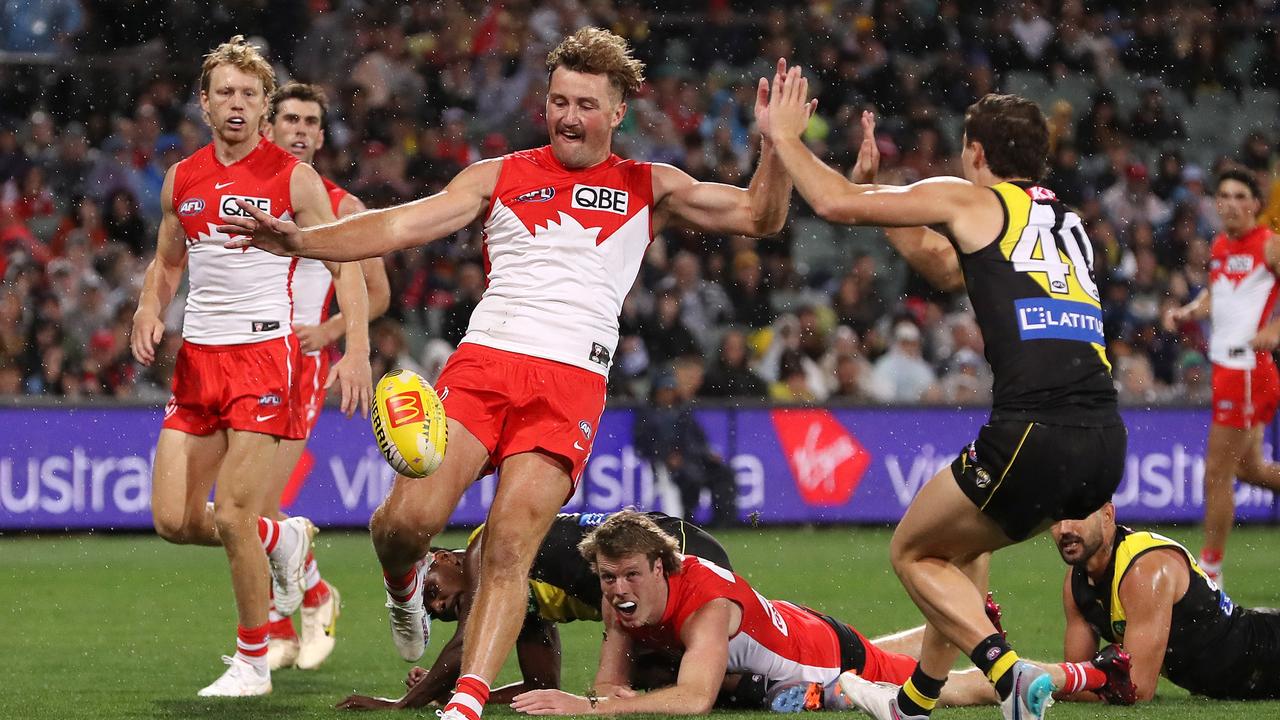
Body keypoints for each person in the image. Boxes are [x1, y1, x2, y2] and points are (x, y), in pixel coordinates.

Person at [219, 27, 805, 720]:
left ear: (617, 111)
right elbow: (402, 226)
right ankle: (402, 581)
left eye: (585, 104)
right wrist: (300, 241)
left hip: (569, 387)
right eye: (558, 101)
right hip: (484, 369)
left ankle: (465, 704)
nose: (568, 117)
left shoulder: (651, 186)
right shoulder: (498, 175)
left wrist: (778, 146)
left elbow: (760, 216)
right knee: (406, 522)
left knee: (508, 547)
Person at [767, 88, 1126, 720]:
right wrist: (889, 209)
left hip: (1032, 432)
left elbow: (830, 201)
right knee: (963, 548)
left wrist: (787, 138)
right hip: (1103, 444)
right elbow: (946, 265)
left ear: (976, 151)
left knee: (913, 551)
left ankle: (1006, 675)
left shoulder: (973, 198)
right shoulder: (1069, 224)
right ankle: (916, 700)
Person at [128, 36, 371, 697]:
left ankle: (253, 663)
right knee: (174, 521)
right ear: (204, 103)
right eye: (225, 94)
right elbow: (168, 259)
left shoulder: (294, 178)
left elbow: (345, 257)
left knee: (233, 513)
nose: (236, 105)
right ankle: (283, 541)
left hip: (264, 358)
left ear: (265, 106)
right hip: (197, 361)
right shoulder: (183, 177)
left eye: (249, 94)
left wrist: (357, 349)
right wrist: (150, 309)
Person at [507, 510, 1004, 715]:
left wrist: (590, 708)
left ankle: (1073, 676)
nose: (617, 589)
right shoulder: (624, 595)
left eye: (629, 575)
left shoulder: (706, 605)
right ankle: (964, 614)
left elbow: (695, 699)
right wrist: (602, 697)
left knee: (953, 687)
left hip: (826, 657)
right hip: (793, 624)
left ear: (660, 566)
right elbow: (608, 680)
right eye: (607, 577)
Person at [336, 511, 732, 711]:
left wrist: (402, 704)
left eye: (433, 590)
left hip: (672, 551)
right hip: (664, 558)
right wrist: (464, 691)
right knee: (655, 674)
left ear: (445, 559)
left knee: (689, 676)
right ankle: (764, 681)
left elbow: (465, 644)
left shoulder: (483, 549)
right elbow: (539, 687)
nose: (440, 605)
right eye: (435, 611)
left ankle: (768, 674)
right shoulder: (519, 600)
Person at [260, 81, 391, 671]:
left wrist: (334, 334)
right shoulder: (245, 195)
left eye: (312, 122)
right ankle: (304, 602)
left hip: (300, 366)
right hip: (242, 359)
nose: (301, 130)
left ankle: (287, 618)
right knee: (251, 503)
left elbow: (379, 292)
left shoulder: (343, 209)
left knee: (254, 501)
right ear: (269, 126)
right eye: (290, 118)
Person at [1164, 169, 1280, 588]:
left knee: (1216, 472)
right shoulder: (1221, 246)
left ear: (1254, 204)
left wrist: (1275, 329)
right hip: (1231, 370)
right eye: (1224, 195)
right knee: (1249, 468)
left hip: (1247, 372)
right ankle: (1211, 567)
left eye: (1239, 196)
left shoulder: (1269, 244)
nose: (1229, 202)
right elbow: (1218, 295)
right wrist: (1189, 312)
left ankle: (1210, 571)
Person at [1054, 502, 1280, 701]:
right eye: (1056, 519)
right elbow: (1075, 686)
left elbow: (1136, 689)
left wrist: (1046, 678)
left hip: (1269, 653)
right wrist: (1061, 681)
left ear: (1107, 516)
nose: (1064, 529)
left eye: (1076, 516)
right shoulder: (1076, 584)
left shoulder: (1144, 569)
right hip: (1239, 678)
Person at [634, 364, 738, 527]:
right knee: (691, 479)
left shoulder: (683, 410)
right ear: (657, 391)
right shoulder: (648, 415)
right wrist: (665, 456)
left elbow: (698, 438)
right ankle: (689, 520)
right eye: (665, 389)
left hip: (694, 458)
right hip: (672, 463)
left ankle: (724, 521)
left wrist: (707, 453)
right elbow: (643, 443)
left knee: (724, 473)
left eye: (671, 388)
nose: (668, 393)